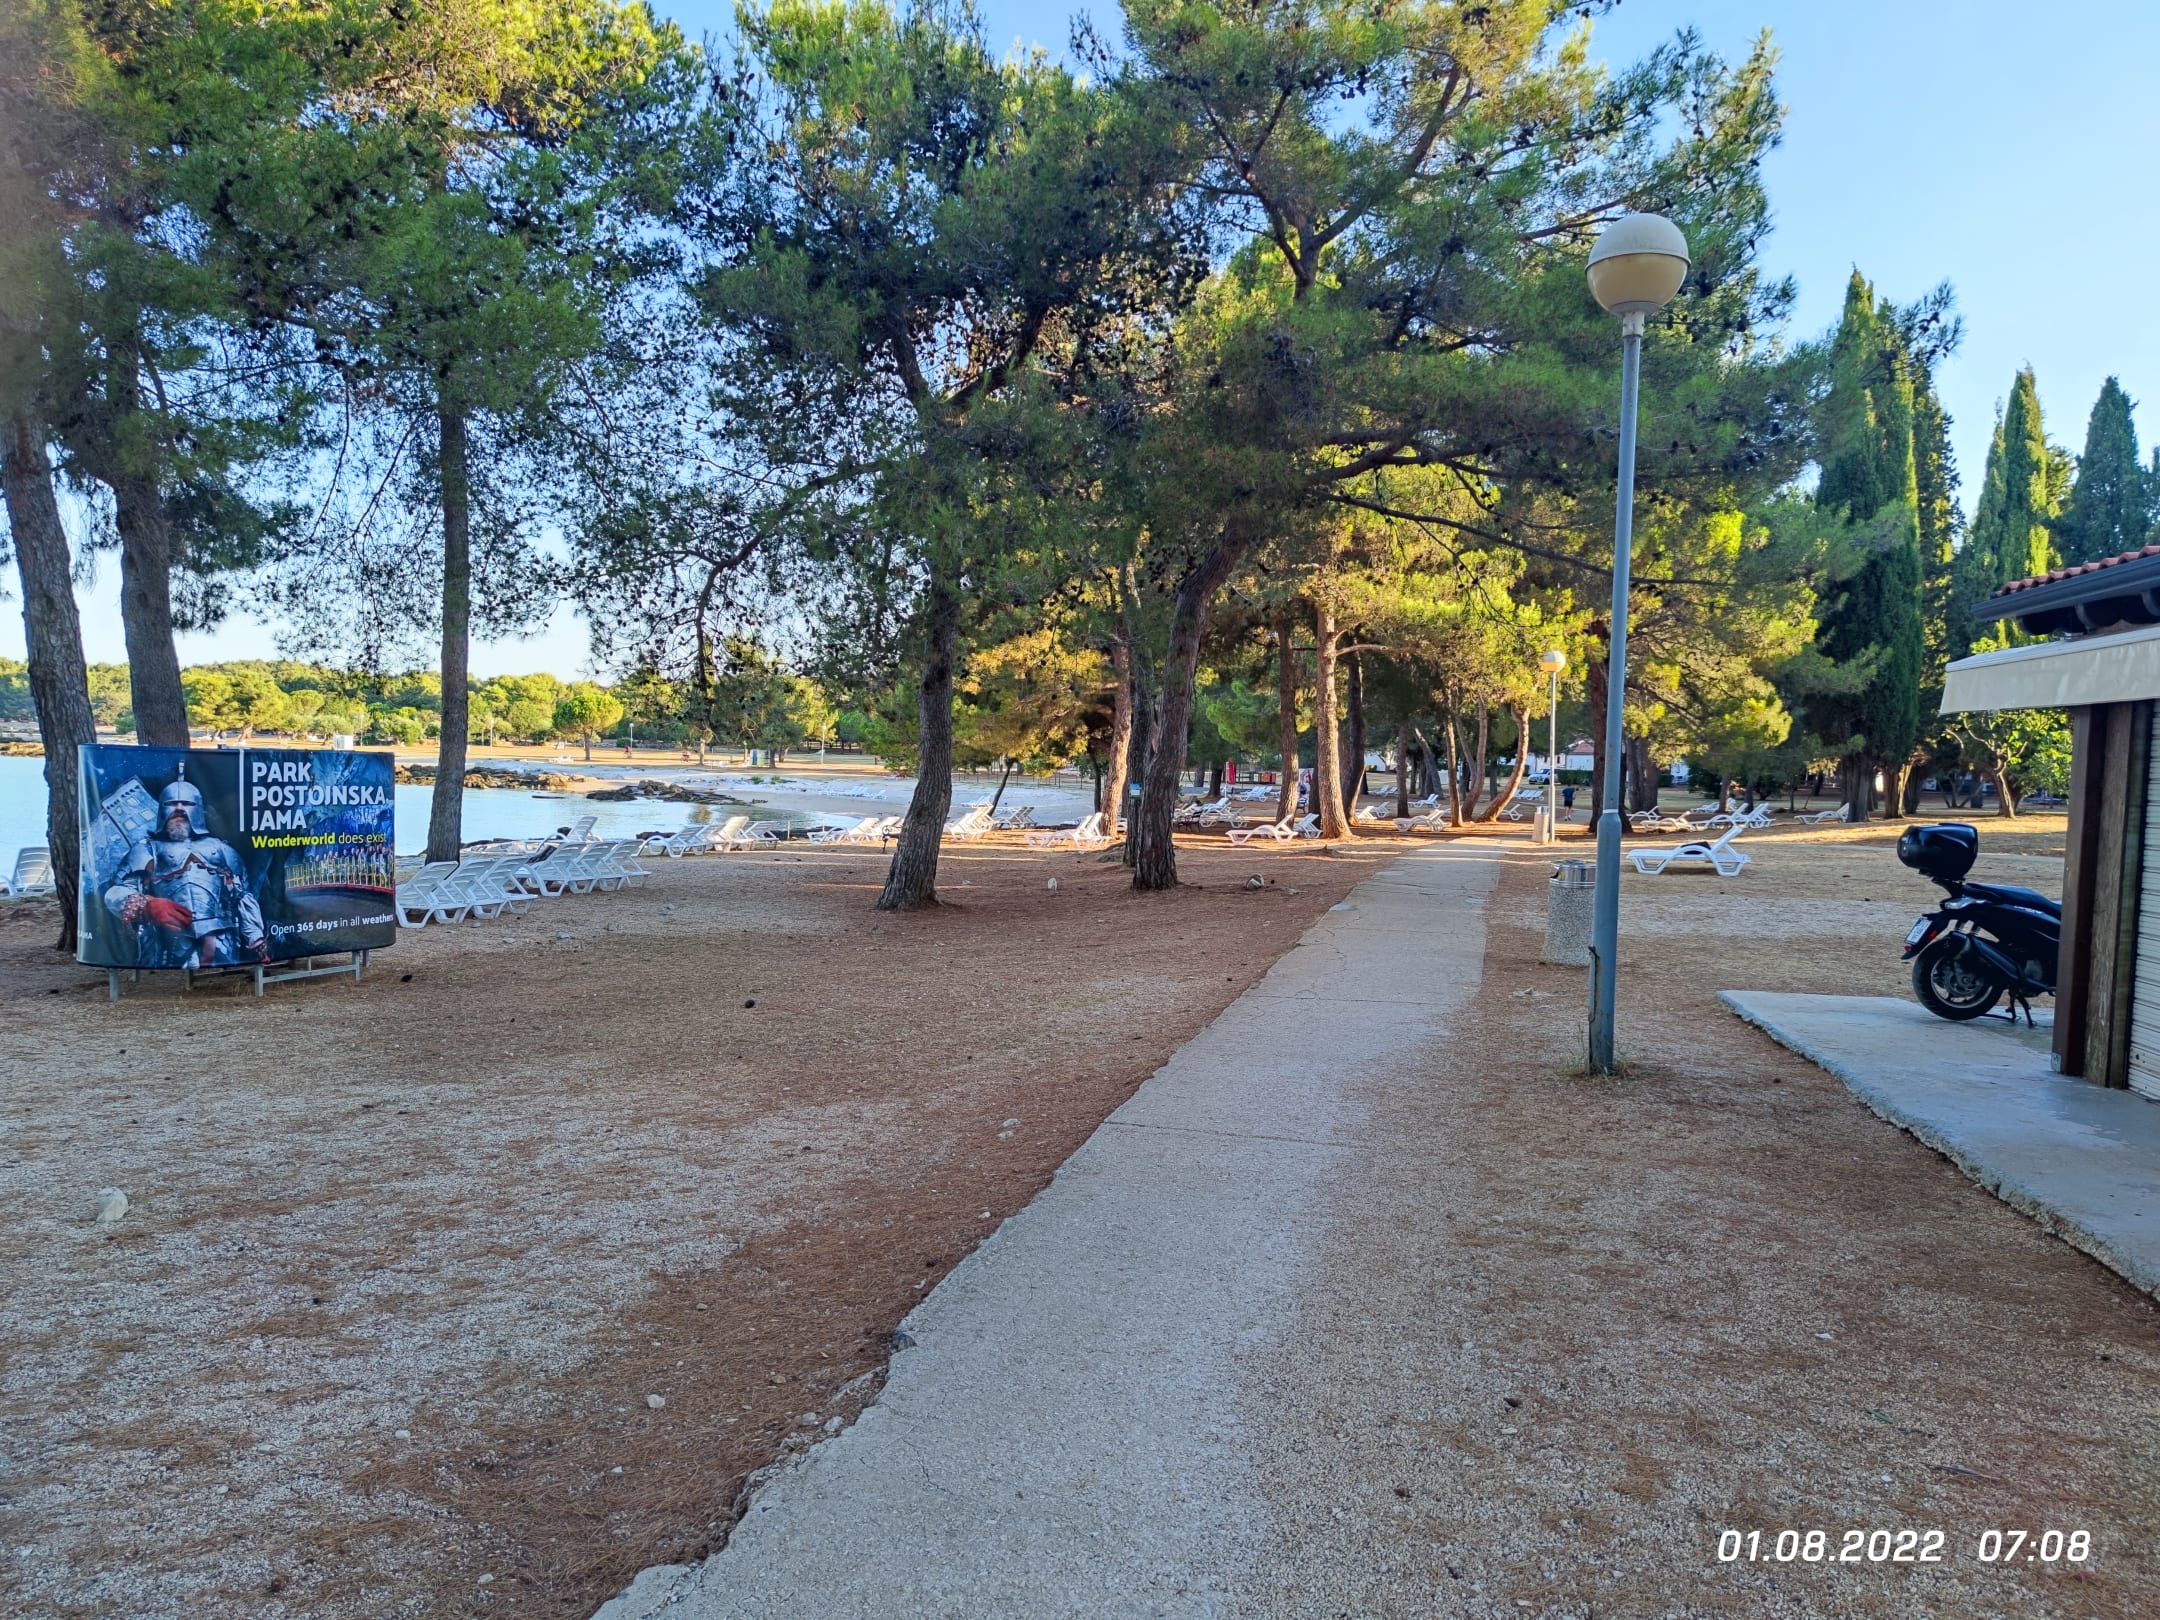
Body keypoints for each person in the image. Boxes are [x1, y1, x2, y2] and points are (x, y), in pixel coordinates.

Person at [104, 776, 268, 968]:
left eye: (187, 803)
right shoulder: (145, 850)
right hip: (165, 941)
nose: (179, 808)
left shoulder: (224, 851)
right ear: (162, 809)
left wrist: (256, 938)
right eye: (172, 803)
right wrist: (145, 905)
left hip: (221, 941)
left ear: (198, 808)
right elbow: (116, 892)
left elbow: (241, 897)